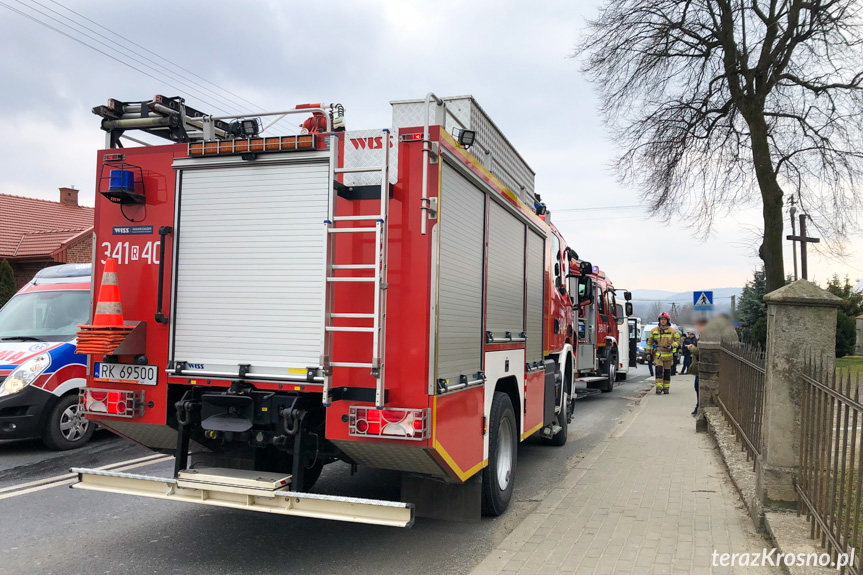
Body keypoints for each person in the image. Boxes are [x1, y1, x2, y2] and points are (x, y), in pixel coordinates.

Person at [647, 313, 680, 394]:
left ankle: (666, 388)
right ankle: (658, 388)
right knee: (658, 370)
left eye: (664, 319)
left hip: (668, 355)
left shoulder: (673, 331)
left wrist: (672, 346)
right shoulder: (654, 331)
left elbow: (678, 341)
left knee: (667, 372)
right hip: (658, 355)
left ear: (667, 321)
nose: (663, 321)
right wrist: (648, 353)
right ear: (659, 320)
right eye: (661, 319)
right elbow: (649, 343)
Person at [688, 319, 708, 416]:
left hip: (703, 367)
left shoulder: (706, 336)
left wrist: (691, 347)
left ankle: (699, 407)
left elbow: (700, 351)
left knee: (699, 387)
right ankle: (698, 406)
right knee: (697, 387)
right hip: (700, 367)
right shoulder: (702, 336)